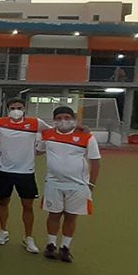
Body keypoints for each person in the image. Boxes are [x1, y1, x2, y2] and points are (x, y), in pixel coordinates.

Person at [36, 106, 101, 263]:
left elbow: (96, 161)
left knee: (71, 217)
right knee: (54, 215)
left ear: (74, 119)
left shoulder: (86, 136)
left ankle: (65, 248)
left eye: (66, 117)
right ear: (54, 120)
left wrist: (91, 184)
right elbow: (38, 151)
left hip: (78, 185)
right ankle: (51, 245)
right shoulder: (47, 135)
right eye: (59, 118)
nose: (63, 121)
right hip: (53, 184)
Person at [0, 98, 51, 253]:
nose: (16, 110)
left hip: (26, 172)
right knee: (3, 202)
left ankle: (28, 237)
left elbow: (51, 133)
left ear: (24, 108)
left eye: (19, 107)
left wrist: (40, 149)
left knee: (28, 206)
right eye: (12, 108)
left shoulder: (35, 123)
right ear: (7, 110)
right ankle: (3, 231)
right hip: (4, 170)